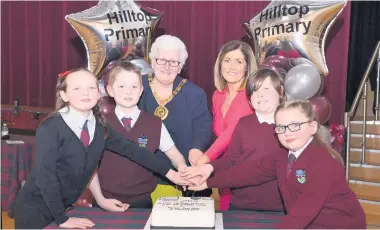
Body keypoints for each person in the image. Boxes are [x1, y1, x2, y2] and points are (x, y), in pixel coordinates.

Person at [14, 68, 189, 229]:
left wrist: (173, 175)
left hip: (65, 207)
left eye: (91, 87)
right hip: (36, 209)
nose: (85, 93)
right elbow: (46, 177)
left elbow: (133, 151)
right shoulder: (51, 127)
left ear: (99, 94)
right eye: (77, 89)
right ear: (64, 95)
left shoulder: (99, 127)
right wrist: (62, 219)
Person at [184, 100, 367, 229]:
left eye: (294, 125)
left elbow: (302, 213)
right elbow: (249, 172)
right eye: (281, 127)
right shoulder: (283, 154)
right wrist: (207, 182)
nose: (287, 132)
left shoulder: (324, 163)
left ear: (312, 127)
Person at [92, 62, 187, 210]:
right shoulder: (99, 123)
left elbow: (174, 155)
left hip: (142, 203)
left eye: (134, 87)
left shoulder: (154, 123)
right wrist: (100, 199)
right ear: (110, 90)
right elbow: (90, 166)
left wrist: (182, 168)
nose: (128, 92)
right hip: (104, 201)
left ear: (141, 90)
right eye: (122, 86)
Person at [139, 35, 213, 201]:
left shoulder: (194, 93)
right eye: (161, 60)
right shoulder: (137, 87)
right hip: (141, 173)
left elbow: (204, 125)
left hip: (183, 175)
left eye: (173, 62)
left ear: (180, 67)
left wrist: (196, 148)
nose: (167, 66)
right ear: (152, 62)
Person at [188, 40, 256, 210]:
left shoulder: (251, 95)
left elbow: (229, 135)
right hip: (224, 169)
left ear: (247, 67)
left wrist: (202, 162)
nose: (232, 66)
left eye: (239, 61)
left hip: (246, 171)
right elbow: (217, 135)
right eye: (227, 60)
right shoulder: (217, 95)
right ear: (220, 64)